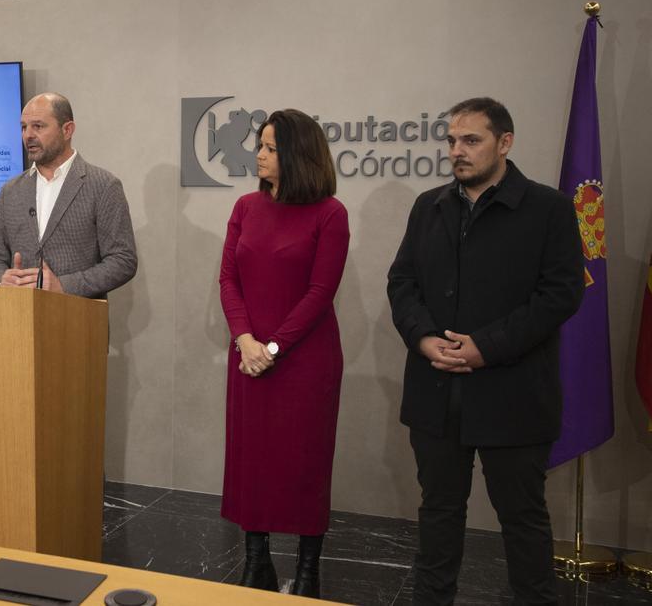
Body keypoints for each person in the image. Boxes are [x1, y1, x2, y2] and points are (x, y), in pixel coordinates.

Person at [386, 97, 584, 605]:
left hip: (513, 394)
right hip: (436, 390)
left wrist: (485, 349)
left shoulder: (550, 208)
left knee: (522, 519)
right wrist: (424, 337)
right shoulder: (428, 205)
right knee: (438, 513)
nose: (457, 150)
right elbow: (403, 281)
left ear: (505, 142)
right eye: (452, 140)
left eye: (471, 140)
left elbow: (560, 294)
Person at [218, 108, 350, 598]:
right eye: (261, 145)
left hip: (305, 361)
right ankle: (257, 562)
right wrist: (245, 340)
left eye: (271, 148)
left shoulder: (330, 213)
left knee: (305, 462)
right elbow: (228, 278)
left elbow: (320, 292)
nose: (260, 154)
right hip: (249, 356)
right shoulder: (246, 208)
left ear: (296, 154)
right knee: (251, 460)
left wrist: (273, 346)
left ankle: (309, 569)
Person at [0, 92, 136, 298]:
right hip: (19, 320)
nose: (28, 135)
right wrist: (1, 278)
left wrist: (64, 285)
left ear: (67, 130)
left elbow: (123, 260)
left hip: (78, 321)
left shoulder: (103, 185)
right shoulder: (10, 191)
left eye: (38, 126)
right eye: (23, 127)